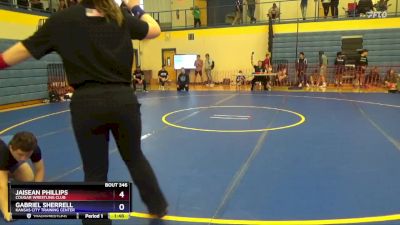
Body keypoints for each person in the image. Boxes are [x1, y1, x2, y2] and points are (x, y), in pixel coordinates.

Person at [0, 0, 168, 224]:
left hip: (87, 105)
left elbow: (22, 50)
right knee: (135, 157)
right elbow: (154, 30)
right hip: (122, 100)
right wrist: (136, 7)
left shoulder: (62, 21)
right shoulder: (118, 18)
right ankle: (157, 206)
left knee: (95, 171)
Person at [0, 132, 45, 222]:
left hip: (8, 161)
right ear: (11, 148)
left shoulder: (33, 148)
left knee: (28, 178)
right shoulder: (2, 152)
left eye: (27, 155)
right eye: (20, 154)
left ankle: (6, 172)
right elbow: (2, 186)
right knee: (2, 182)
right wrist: (6, 212)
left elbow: (40, 169)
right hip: (2, 158)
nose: (24, 159)